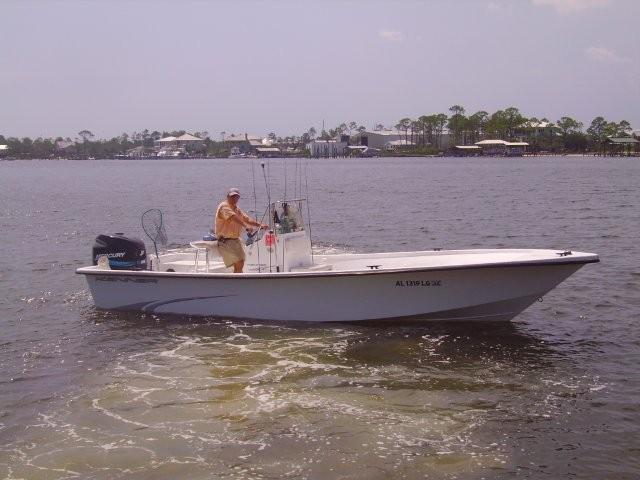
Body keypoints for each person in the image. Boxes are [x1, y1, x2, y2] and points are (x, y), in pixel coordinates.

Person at [214, 188, 268, 273]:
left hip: (235, 240)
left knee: (241, 263)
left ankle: (238, 280)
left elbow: (247, 219)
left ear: (239, 198)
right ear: (227, 196)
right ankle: (237, 282)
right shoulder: (224, 206)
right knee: (239, 262)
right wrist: (245, 226)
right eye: (232, 196)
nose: (234, 198)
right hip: (225, 240)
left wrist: (260, 225)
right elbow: (233, 217)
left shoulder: (236, 209)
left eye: (236, 196)